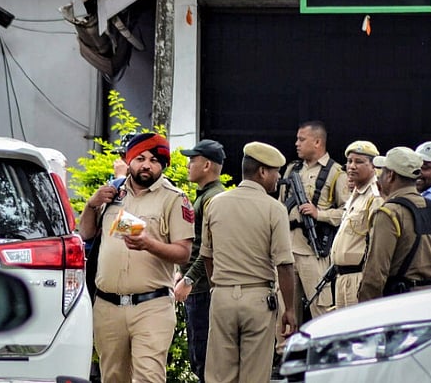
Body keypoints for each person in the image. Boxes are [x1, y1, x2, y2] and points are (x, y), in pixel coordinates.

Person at [79, 132, 195, 383]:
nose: (146, 165)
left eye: (154, 160)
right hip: (108, 306)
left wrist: (149, 244)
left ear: (163, 165)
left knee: (148, 378)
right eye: (140, 158)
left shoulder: (174, 198)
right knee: (113, 377)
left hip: (151, 306)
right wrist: (91, 204)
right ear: (129, 160)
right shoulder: (113, 194)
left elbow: (183, 253)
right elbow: (86, 233)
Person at [202, 142, 296, 383]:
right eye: (275, 172)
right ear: (263, 172)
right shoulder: (275, 209)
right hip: (258, 298)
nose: (278, 178)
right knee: (255, 375)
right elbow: (285, 264)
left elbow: (207, 255)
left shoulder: (216, 204)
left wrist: (217, 288)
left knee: (220, 376)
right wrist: (290, 309)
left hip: (222, 296)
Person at [359, 147, 431, 302]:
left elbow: (375, 274)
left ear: (391, 175)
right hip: (429, 301)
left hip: (396, 303)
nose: (379, 177)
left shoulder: (388, 213)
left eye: (383, 172)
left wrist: (366, 311)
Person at [280, 121, 348, 319]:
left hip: (314, 250)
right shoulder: (293, 169)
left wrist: (320, 214)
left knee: (321, 310)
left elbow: (347, 212)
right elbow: (281, 205)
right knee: (285, 312)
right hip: (288, 249)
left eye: (302, 139)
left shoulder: (336, 173)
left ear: (317, 142)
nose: (297, 144)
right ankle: (285, 350)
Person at [174, 139, 227, 382]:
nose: (187, 165)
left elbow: (211, 248)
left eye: (192, 160)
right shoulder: (206, 195)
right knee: (200, 356)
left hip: (203, 288)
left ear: (206, 165)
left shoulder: (214, 198)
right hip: (199, 286)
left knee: (204, 358)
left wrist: (189, 278)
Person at [330, 140, 382, 309]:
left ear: (373, 166)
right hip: (342, 277)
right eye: (349, 161)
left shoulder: (375, 197)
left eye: (359, 162)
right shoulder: (355, 194)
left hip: (358, 278)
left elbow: (377, 244)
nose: (351, 166)